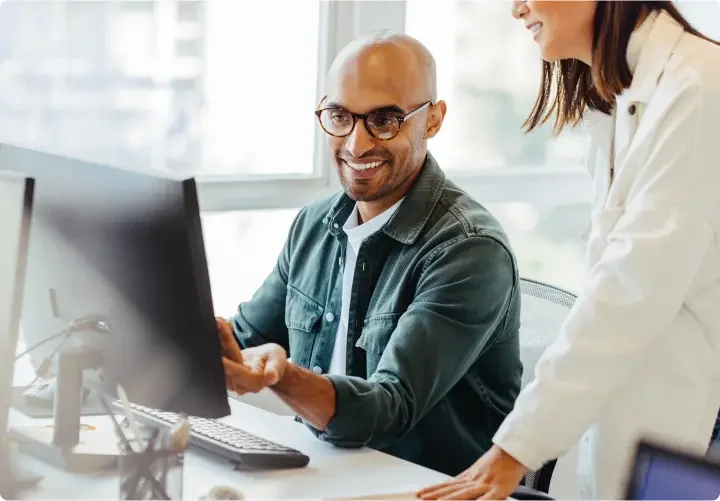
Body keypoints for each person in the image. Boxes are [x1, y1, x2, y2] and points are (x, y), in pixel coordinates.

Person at [418, 2, 720, 500]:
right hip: (629, 444)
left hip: (681, 458)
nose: (516, 9)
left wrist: (513, 451)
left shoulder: (699, 89)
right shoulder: (626, 102)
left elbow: (626, 296)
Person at [216, 31, 523, 476]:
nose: (357, 145)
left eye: (384, 120)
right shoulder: (315, 225)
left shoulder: (469, 250)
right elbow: (243, 339)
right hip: (325, 478)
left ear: (433, 120)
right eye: (340, 116)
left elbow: (388, 410)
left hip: (417, 487)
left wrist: (283, 377)